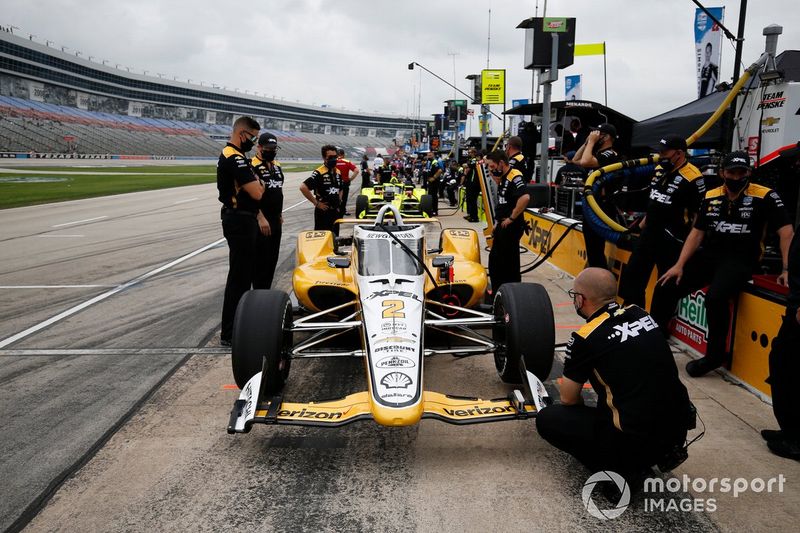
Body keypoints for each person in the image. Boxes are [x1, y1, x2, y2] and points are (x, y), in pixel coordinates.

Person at [537, 268, 691, 483]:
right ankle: (651, 453)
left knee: (548, 418)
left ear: (580, 300)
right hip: (678, 433)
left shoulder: (585, 337)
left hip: (636, 441)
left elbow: (568, 398)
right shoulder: (642, 314)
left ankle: (619, 473)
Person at [659, 151, 794, 377]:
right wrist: (679, 264)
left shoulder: (766, 196)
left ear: (749, 173)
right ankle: (656, 339)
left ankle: (714, 356)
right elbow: (697, 232)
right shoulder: (711, 195)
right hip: (711, 255)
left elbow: (786, 232)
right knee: (667, 283)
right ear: (722, 172)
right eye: (731, 172)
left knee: (715, 298)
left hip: (743, 259)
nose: (736, 176)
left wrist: (787, 269)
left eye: (742, 172)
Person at [619, 135, 705, 317]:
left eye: (664, 152)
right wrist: (639, 226)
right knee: (632, 274)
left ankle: (659, 328)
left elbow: (699, 216)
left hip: (673, 238)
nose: (660, 155)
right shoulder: (659, 169)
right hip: (650, 232)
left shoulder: (693, 178)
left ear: (679, 153)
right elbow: (654, 201)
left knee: (665, 285)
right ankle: (633, 317)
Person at [216, 116, 264, 346]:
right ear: (241, 133)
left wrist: (256, 184)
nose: (254, 142)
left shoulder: (239, 157)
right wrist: (257, 184)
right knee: (238, 278)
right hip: (238, 220)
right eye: (253, 137)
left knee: (243, 277)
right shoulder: (233, 157)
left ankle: (237, 328)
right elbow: (257, 192)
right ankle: (230, 333)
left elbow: (256, 188)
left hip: (244, 219)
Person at [762, 228, 800, 460]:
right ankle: (790, 430)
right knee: (780, 363)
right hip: (794, 304)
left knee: (792, 371)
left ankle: (795, 440)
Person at [574, 123, 621, 269]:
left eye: (597, 133)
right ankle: (594, 276)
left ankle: (600, 279)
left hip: (601, 206)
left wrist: (592, 142)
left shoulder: (609, 154)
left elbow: (585, 161)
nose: (593, 135)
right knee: (591, 247)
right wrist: (587, 142)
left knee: (596, 248)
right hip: (591, 205)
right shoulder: (598, 153)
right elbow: (576, 160)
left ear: (606, 137)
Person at [485, 150, 530, 293]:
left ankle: (512, 292)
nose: (490, 170)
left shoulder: (514, 175)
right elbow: (503, 202)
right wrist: (498, 223)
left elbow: (525, 198)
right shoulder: (503, 177)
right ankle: (499, 290)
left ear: (502, 163)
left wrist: (511, 218)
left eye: (492, 167)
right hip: (503, 224)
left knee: (508, 264)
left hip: (511, 226)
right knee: (495, 262)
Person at [252, 132, 284, 290]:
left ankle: (266, 291)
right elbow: (250, 196)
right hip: (261, 220)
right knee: (261, 261)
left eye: (274, 148)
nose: (272, 150)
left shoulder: (277, 166)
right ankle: (258, 293)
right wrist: (260, 217)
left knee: (272, 259)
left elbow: (278, 190)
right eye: (268, 148)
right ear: (259, 147)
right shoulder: (252, 165)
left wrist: (279, 214)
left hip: (275, 219)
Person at [300, 144, 343, 234]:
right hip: (323, 212)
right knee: (321, 239)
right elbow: (303, 187)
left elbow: (341, 188)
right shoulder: (319, 172)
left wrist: (339, 201)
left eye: (335, 157)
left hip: (335, 212)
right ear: (324, 158)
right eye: (330, 157)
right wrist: (316, 203)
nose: (334, 159)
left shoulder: (338, 172)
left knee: (335, 239)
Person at [335, 148, 359, 217]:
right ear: (343, 155)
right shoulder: (347, 162)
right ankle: (342, 211)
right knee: (344, 198)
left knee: (335, 197)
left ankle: (336, 210)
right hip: (344, 182)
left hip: (335, 183)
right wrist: (350, 179)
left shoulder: (333, 161)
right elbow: (356, 171)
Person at [461, 147, 481, 222]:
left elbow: (467, 165)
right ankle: (470, 214)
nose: (469, 154)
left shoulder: (476, 160)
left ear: (474, 153)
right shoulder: (470, 160)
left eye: (470, 152)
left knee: (473, 200)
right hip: (469, 182)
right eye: (468, 152)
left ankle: (475, 217)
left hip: (474, 183)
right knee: (469, 199)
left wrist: (466, 165)